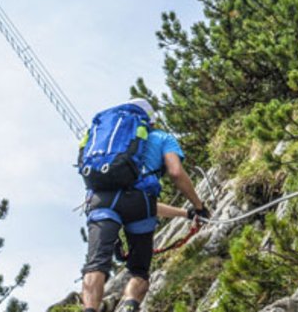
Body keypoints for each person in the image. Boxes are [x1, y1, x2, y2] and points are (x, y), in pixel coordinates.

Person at [80, 98, 210, 312]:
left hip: (101, 200)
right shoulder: (162, 138)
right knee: (139, 272)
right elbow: (175, 173)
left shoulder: (106, 139)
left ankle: (90, 309)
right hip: (138, 204)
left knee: (96, 265)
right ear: (151, 121)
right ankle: (129, 307)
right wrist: (197, 207)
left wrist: (184, 214)